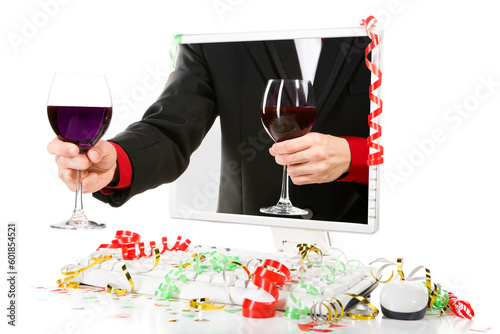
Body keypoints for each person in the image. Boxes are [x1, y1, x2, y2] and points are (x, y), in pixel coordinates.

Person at [47, 36, 371, 223]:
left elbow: (416, 136)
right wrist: (116, 162)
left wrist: (357, 157)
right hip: (248, 253)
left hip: (374, 245)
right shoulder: (217, 33)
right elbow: (170, 128)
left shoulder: (387, 24)